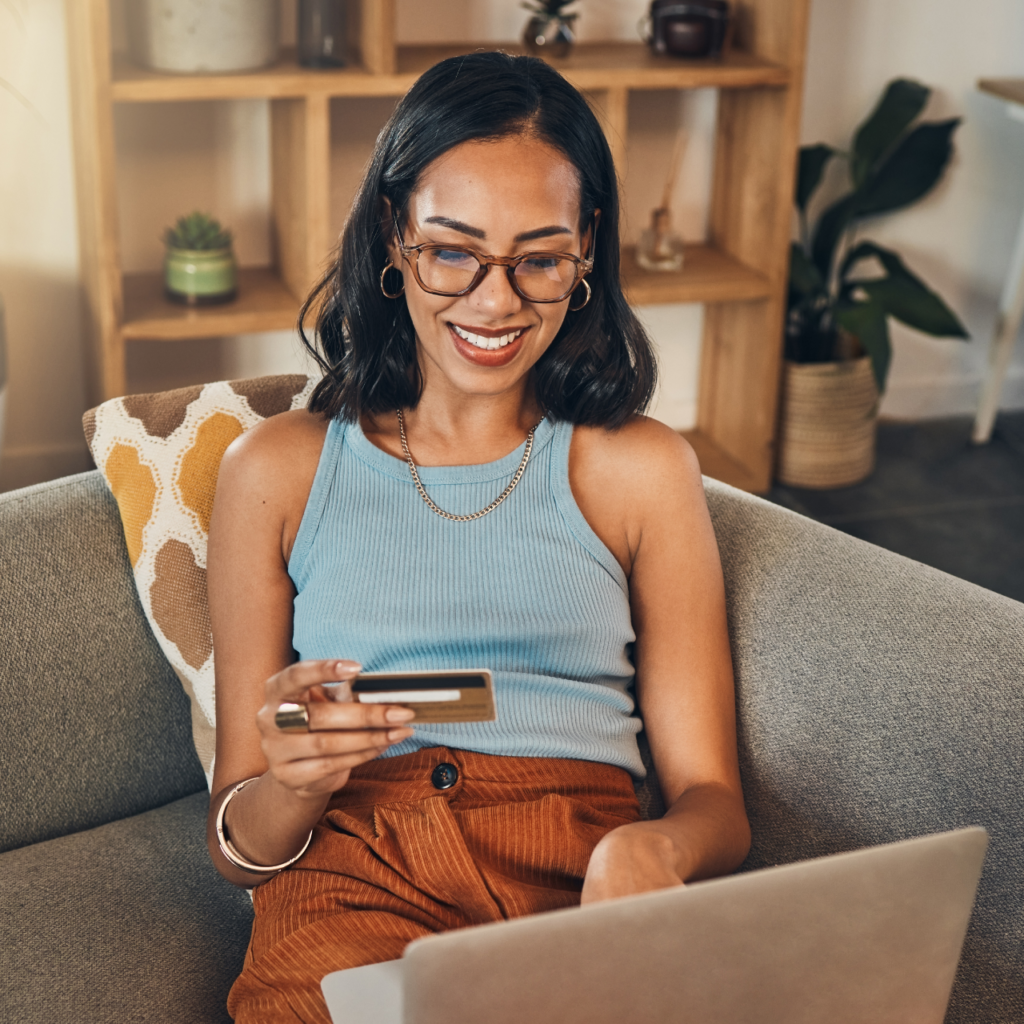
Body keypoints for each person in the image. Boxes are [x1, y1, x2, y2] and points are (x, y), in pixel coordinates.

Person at [206, 51, 750, 1024]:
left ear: (587, 247)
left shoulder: (639, 470)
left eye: (538, 257)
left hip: (573, 869)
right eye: (453, 250)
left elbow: (713, 795)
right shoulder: (276, 472)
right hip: (352, 871)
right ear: (393, 230)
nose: (495, 304)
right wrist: (293, 778)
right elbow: (234, 839)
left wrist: (657, 847)